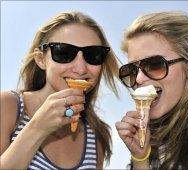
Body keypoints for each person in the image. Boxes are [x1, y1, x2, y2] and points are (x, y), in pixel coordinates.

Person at [1, 11, 119, 169]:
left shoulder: (97, 134)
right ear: (41, 59)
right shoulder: (8, 106)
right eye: (64, 52)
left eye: (93, 55)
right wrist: (38, 127)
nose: (80, 68)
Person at [116, 11, 188, 170]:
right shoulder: (154, 136)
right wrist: (140, 159)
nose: (138, 79)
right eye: (131, 70)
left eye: (154, 65)